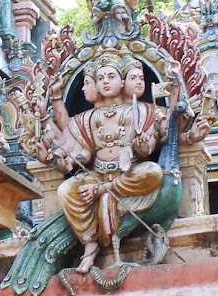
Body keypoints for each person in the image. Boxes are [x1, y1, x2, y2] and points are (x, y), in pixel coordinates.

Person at [49, 53, 166, 273]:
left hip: (128, 173)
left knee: (153, 171)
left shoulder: (143, 110)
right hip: (96, 173)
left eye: (111, 76)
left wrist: (141, 146)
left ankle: (103, 191)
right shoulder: (87, 117)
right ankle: (89, 243)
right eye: (100, 78)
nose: (105, 81)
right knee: (66, 189)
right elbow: (75, 140)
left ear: (122, 82)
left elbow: (150, 145)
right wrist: (79, 158)